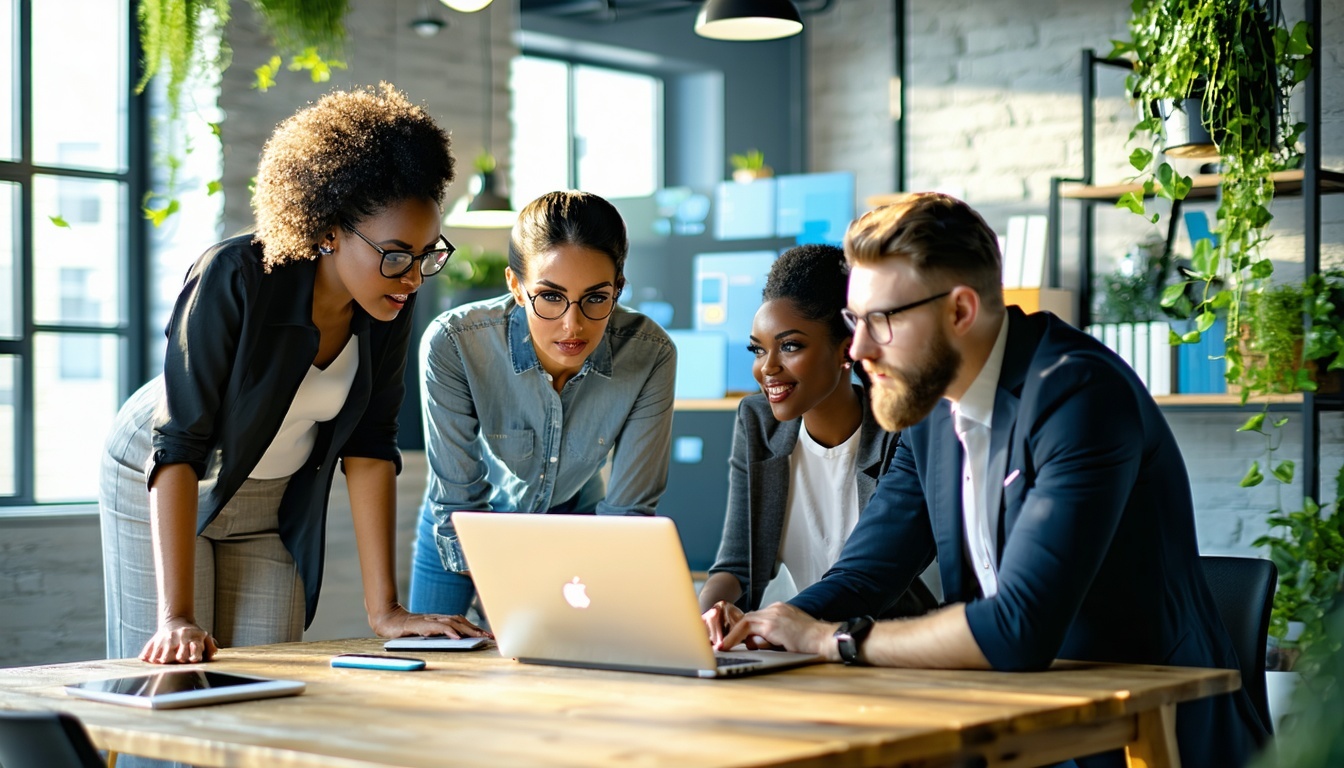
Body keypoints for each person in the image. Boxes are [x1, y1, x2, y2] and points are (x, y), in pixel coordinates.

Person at [716, 193, 1266, 767]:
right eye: (855, 321)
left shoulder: (1079, 397)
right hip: (1016, 724)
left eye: (880, 321)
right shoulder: (931, 407)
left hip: (1143, 740)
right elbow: (868, 569)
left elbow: (1018, 628)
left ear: (959, 311)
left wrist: (831, 640)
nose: (858, 349)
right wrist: (769, 628)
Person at [100, 83, 486, 666]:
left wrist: (385, 610)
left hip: (266, 504)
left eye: (427, 253)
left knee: (267, 680)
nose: (412, 277)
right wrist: (176, 616)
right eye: (396, 254)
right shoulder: (234, 276)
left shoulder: (386, 302)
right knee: (173, 680)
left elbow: (370, 445)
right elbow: (178, 441)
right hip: (161, 474)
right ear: (329, 231)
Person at [410, 190, 677, 616]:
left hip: (576, 523)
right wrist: (499, 598)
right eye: (550, 296)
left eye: (595, 297)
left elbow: (627, 514)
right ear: (516, 286)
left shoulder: (649, 354)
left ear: (618, 288)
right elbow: (459, 498)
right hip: (466, 523)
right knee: (436, 664)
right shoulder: (455, 344)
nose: (573, 325)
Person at [698, 244, 935, 628]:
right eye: (758, 349)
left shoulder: (900, 431)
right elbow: (736, 565)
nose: (767, 368)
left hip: (893, 644)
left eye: (790, 346)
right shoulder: (759, 423)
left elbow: (876, 578)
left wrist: (779, 622)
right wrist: (708, 615)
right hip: (801, 642)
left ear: (846, 349)